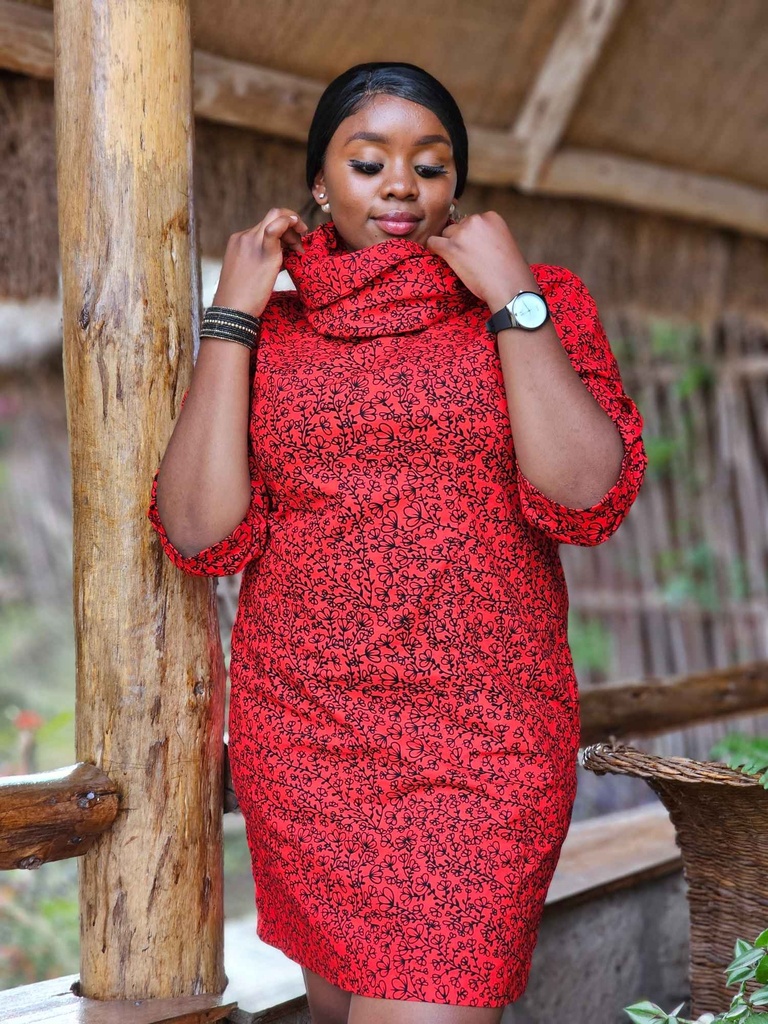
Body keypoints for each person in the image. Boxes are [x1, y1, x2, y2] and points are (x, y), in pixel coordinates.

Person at [149, 61, 646, 1024]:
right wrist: (233, 315)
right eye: (370, 162)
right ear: (320, 184)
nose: (402, 187)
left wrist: (513, 295)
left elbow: (584, 492)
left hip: (486, 749)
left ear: (457, 184)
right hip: (309, 745)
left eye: (431, 164)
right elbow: (199, 531)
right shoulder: (271, 330)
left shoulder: (543, 302)